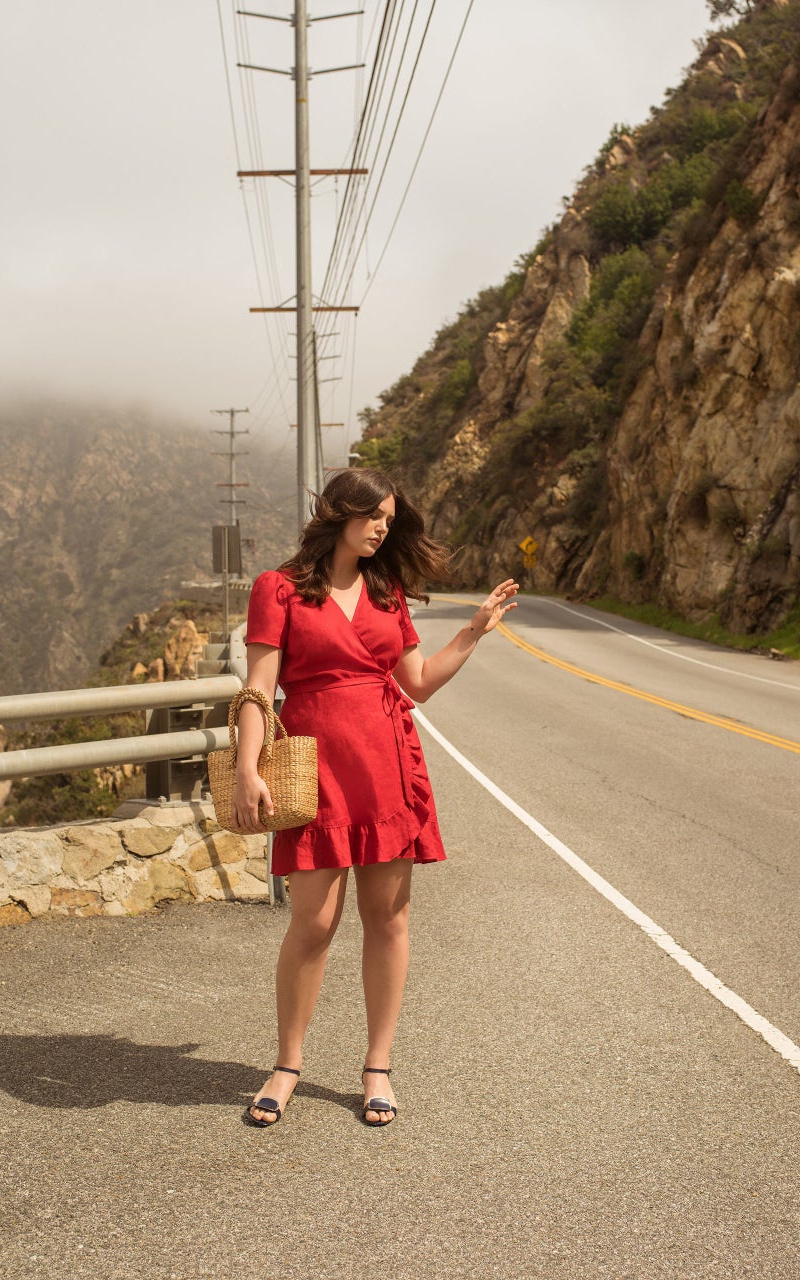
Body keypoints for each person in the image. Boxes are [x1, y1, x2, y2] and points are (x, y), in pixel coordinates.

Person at [233, 467, 518, 1128]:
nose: (384, 528)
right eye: (374, 517)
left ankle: (377, 1066)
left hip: (387, 768)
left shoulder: (388, 594)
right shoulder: (276, 589)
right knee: (313, 923)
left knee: (388, 921)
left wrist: (473, 631)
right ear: (338, 514)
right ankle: (287, 1065)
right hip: (313, 773)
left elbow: (415, 684)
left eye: (390, 518)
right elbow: (257, 690)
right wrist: (249, 768)